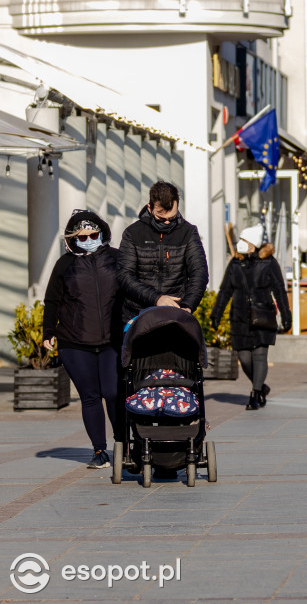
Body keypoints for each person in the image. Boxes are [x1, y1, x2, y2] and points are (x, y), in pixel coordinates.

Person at [43, 211, 121, 469]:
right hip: (74, 342)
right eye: (82, 237)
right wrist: (48, 332)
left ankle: (123, 445)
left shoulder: (116, 258)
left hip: (113, 340)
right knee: (90, 396)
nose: (88, 239)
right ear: (72, 239)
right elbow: (52, 300)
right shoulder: (64, 265)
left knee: (113, 392)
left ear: (102, 233)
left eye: (93, 235)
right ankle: (100, 451)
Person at [211, 226, 291, 410]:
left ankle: (255, 394)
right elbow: (225, 290)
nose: (239, 243)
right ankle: (261, 386)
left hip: (262, 314)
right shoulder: (235, 263)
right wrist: (216, 314)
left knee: (260, 354)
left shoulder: (269, 262)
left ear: (252, 244)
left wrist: (286, 316)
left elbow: (279, 290)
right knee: (244, 357)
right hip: (239, 316)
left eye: (243, 240)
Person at [117, 181, 208, 321]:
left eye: (171, 218)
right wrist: (156, 298)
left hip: (175, 314)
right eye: (161, 218)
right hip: (137, 314)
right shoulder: (132, 233)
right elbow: (125, 275)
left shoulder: (188, 232)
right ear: (150, 208)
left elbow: (199, 273)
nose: (167, 223)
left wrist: (188, 305)